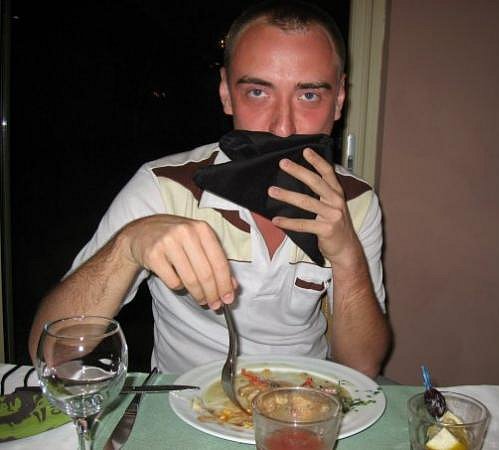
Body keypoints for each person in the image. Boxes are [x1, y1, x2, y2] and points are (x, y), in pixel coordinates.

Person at [28, 0, 392, 378]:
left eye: (309, 95)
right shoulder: (163, 187)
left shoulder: (356, 202)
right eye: (258, 92)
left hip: (303, 401)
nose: (283, 127)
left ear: (339, 99)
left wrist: (347, 255)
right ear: (225, 93)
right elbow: (50, 352)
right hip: (182, 401)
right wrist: (127, 246)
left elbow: (362, 366)